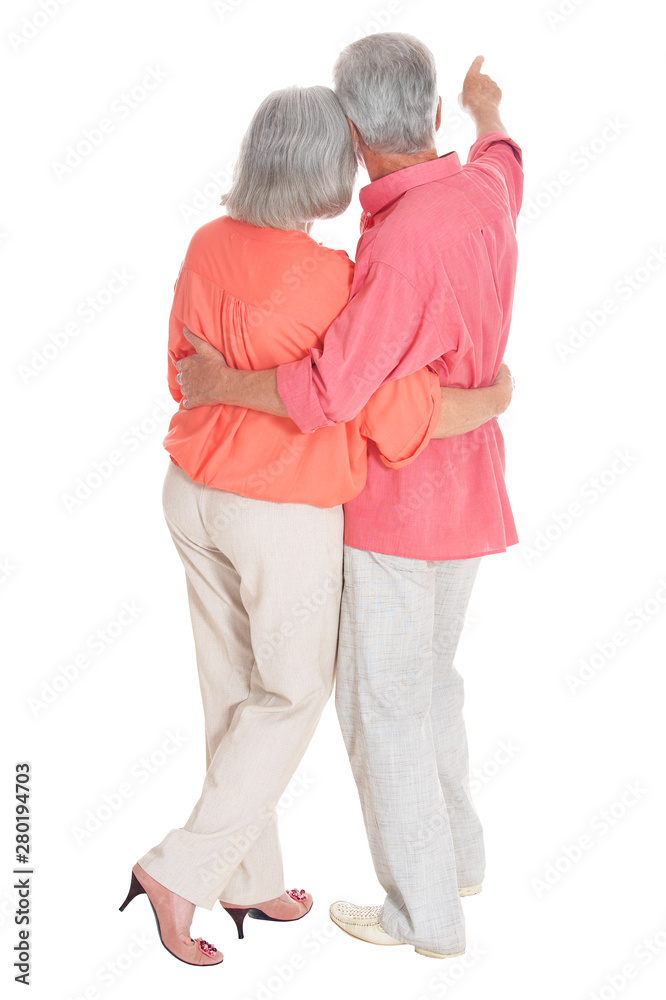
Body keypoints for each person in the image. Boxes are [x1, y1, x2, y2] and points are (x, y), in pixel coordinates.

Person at [119, 83, 514, 967]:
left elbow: (180, 371)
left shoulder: (204, 242)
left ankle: (248, 880)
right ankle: (177, 875)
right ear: (327, 169)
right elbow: (393, 410)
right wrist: (492, 395)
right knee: (291, 696)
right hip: (277, 514)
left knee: (232, 690)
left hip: (190, 494)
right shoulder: (335, 280)